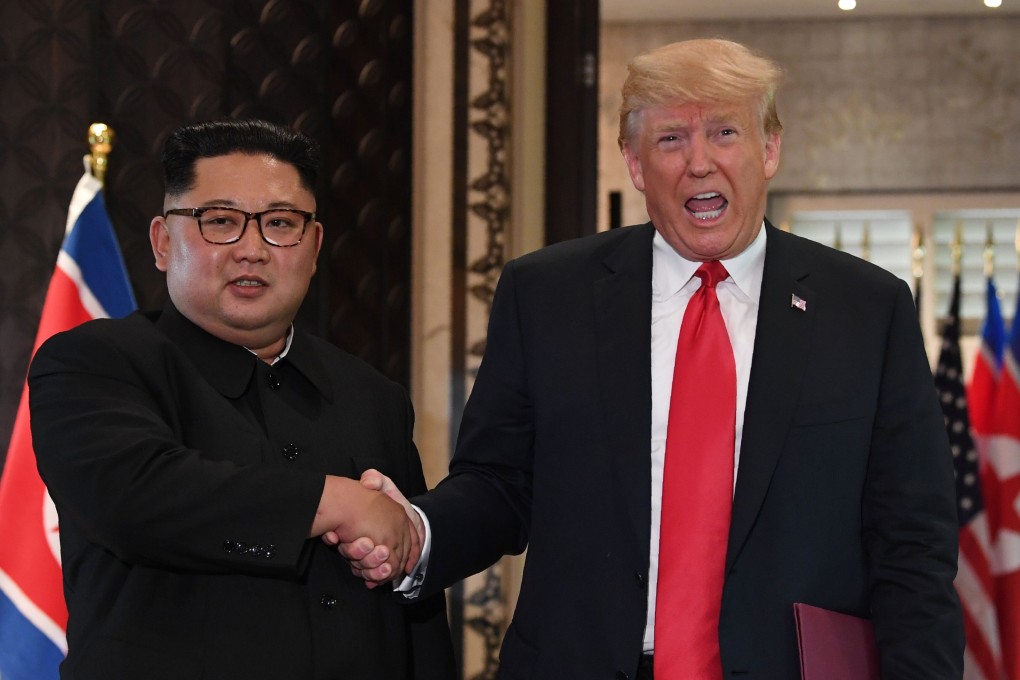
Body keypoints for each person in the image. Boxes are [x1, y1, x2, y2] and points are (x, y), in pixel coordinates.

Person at [339, 39, 964, 679]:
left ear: (770, 148)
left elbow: (912, 544)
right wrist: (418, 532)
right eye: (670, 140)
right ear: (634, 163)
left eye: (725, 132)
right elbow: (499, 485)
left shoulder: (865, 309)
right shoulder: (547, 295)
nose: (700, 163)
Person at [29, 118, 455, 680]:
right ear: (162, 242)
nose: (252, 249)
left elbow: (415, 614)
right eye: (220, 222)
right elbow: (137, 499)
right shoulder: (93, 362)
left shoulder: (373, 395)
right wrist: (335, 503)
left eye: (281, 224)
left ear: (315, 245)